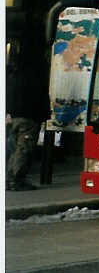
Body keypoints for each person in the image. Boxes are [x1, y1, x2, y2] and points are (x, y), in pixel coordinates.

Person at [6, 63, 50, 191]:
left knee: (15, 148)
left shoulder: (12, 77)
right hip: (28, 118)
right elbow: (41, 98)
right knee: (24, 149)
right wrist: (44, 115)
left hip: (14, 117)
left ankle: (9, 179)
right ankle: (16, 179)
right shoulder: (35, 79)